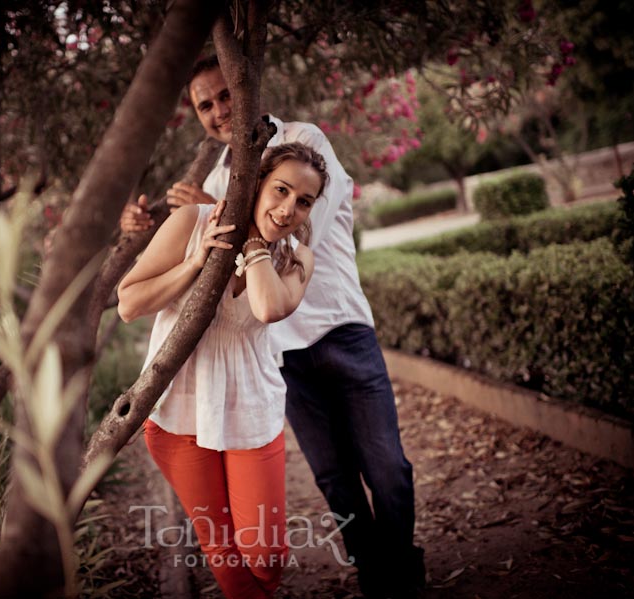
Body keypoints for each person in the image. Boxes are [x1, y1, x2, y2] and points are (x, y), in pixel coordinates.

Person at [120, 55, 423, 599]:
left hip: (338, 328)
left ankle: (399, 571)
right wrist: (158, 227)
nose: (218, 112)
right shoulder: (221, 178)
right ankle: (373, 574)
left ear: (247, 89)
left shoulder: (304, 141)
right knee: (332, 477)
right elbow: (207, 247)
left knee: (387, 468)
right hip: (278, 351)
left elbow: (295, 228)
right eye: (204, 105)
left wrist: (216, 210)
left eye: (225, 96)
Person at [118, 142, 329, 599]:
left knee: (266, 555)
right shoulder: (193, 223)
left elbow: (268, 306)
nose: (288, 207)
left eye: (304, 201)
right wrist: (195, 263)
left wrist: (253, 242)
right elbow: (128, 303)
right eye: (280, 190)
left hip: (251, 410)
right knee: (222, 548)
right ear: (255, 183)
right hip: (179, 410)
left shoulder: (298, 260)